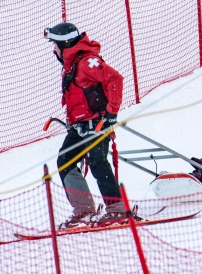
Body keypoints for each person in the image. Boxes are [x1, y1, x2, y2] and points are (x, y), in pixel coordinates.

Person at [44, 23, 136, 228]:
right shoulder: (71, 66)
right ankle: (84, 210)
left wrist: (111, 113)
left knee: (98, 162)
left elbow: (115, 79)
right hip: (78, 126)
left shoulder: (88, 63)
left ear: (65, 44)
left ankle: (117, 210)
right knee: (65, 161)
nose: (54, 51)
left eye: (55, 46)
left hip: (97, 123)